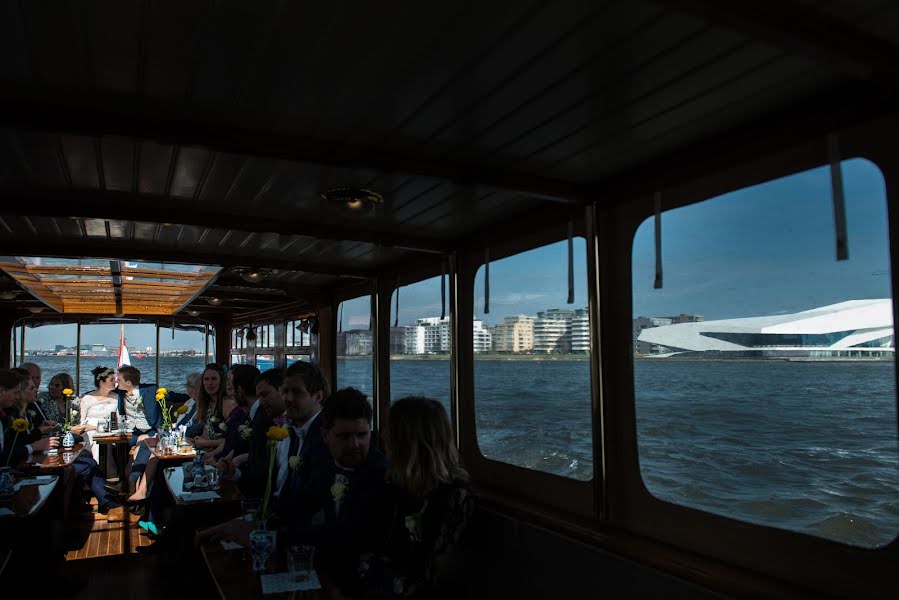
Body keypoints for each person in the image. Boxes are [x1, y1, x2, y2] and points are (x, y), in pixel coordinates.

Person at [356, 396, 474, 599]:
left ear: (406, 442)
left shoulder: (454, 496)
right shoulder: (394, 483)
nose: (383, 436)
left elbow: (430, 571)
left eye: (388, 430)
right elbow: (372, 540)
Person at [78, 367, 121, 463]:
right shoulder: (88, 398)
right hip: (89, 430)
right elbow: (81, 421)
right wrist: (93, 427)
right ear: (102, 382)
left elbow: (118, 419)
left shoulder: (117, 398)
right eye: (111, 380)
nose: (115, 382)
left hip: (109, 430)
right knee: (96, 439)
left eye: (115, 379)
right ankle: (97, 467)